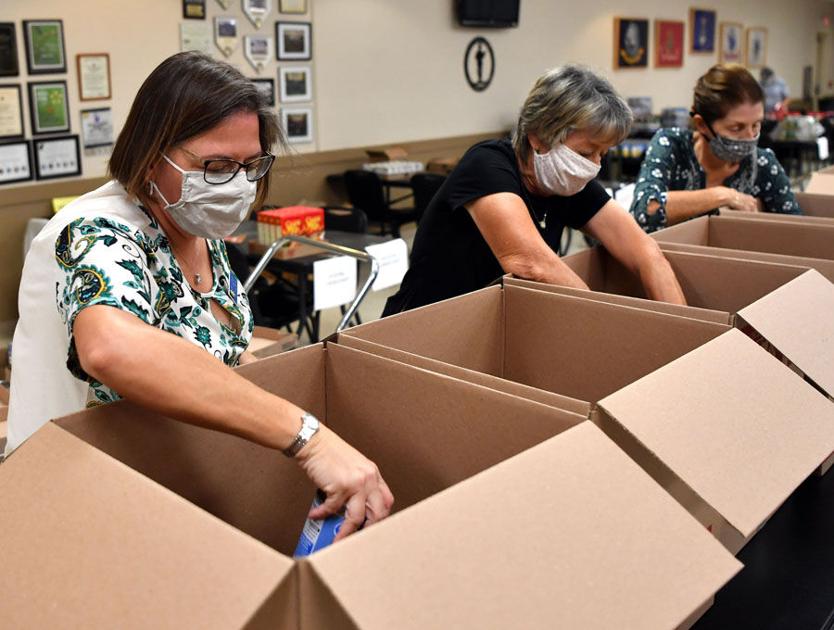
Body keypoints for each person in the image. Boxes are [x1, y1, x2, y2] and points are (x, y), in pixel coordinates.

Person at [6, 52, 393, 539]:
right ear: (152, 154)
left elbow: (220, 353)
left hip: (172, 487)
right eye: (216, 166)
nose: (237, 185)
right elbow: (112, 348)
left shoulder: (196, 229)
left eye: (251, 165)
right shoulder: (96, 233)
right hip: (79, 501)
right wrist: (308, 438)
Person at [382, 65, 686, 315]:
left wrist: (686, 332)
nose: (594, 166)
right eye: (585, 153)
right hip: (423, 323)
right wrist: (609, 323)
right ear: (538, 137)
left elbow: (646, 253)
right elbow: (531, 263)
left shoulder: (567, 182)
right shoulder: (486, 165)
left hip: (492, 323)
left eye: (602, 155)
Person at [630, 64, 800, 233]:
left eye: (756, 125)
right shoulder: (672, 146)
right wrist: (722, 196)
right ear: (702, 125)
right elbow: (644, 211)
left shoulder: (762, 165)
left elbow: (797, 230)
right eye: (736, 128)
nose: (750, 137)